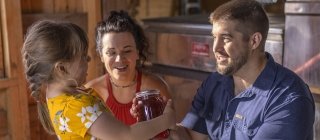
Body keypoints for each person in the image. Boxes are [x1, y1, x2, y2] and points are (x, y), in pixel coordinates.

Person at [132, 0, 315, 139]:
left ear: (254, 41)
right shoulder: (215, 83)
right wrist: (162, 124)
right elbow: (191, 136)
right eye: (214, 37)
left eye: (226, 39)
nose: (215, 48)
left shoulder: (287, 99)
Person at [21, 20, 175, 140]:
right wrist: (165, 120)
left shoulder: (59, 98)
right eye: (82, 57)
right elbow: (128, 136)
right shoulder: (77, 106)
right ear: (61, 68)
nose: (88, 59)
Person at [85, 10, 171, 125]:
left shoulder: (155, 89)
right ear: (101, 56)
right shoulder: (91, 93)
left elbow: (171, 133)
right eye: (111, 52)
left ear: (137, 52)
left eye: (127, 51)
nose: (119, 59)